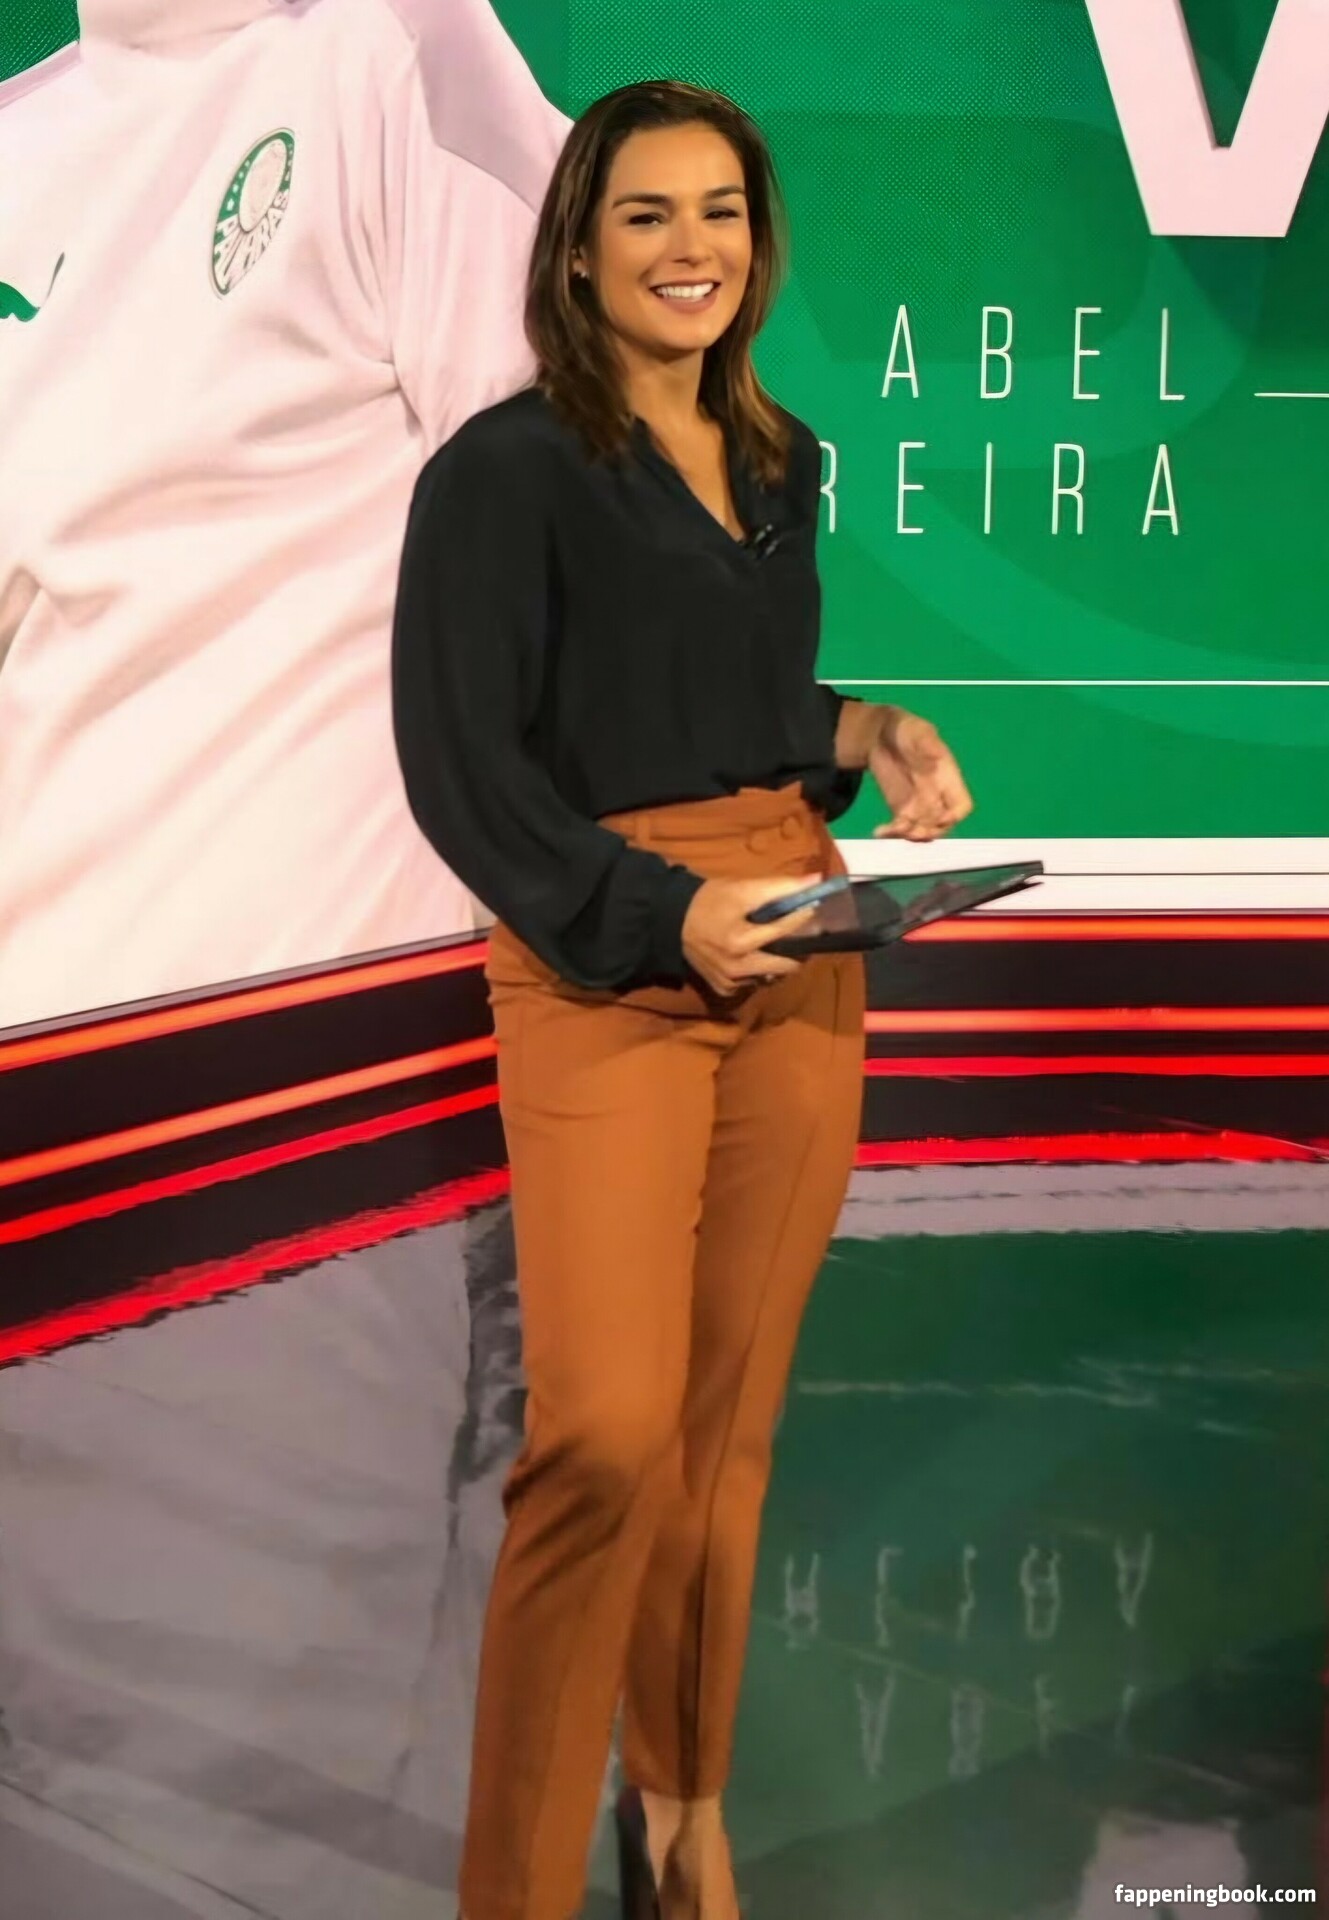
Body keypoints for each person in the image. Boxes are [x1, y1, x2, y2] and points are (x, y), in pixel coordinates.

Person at [391, 80, 973, 1920]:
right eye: (645, 213)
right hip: (607, 964)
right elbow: (464, 768)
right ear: (576, 245)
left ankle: (682, 1813)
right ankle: (513, 1888)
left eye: (718, 210)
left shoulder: (779, 459)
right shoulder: (499, 474)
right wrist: (657, 918)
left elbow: (737, 707)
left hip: (794, 936)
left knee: (723, 1439)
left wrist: (862, 731)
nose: (689, 247)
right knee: (604, 1440)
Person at [0, 0, 567, 1030]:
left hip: (330, 1055)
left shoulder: (397, 48)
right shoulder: (17, 143)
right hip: (44, 1063)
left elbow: (595, 539)